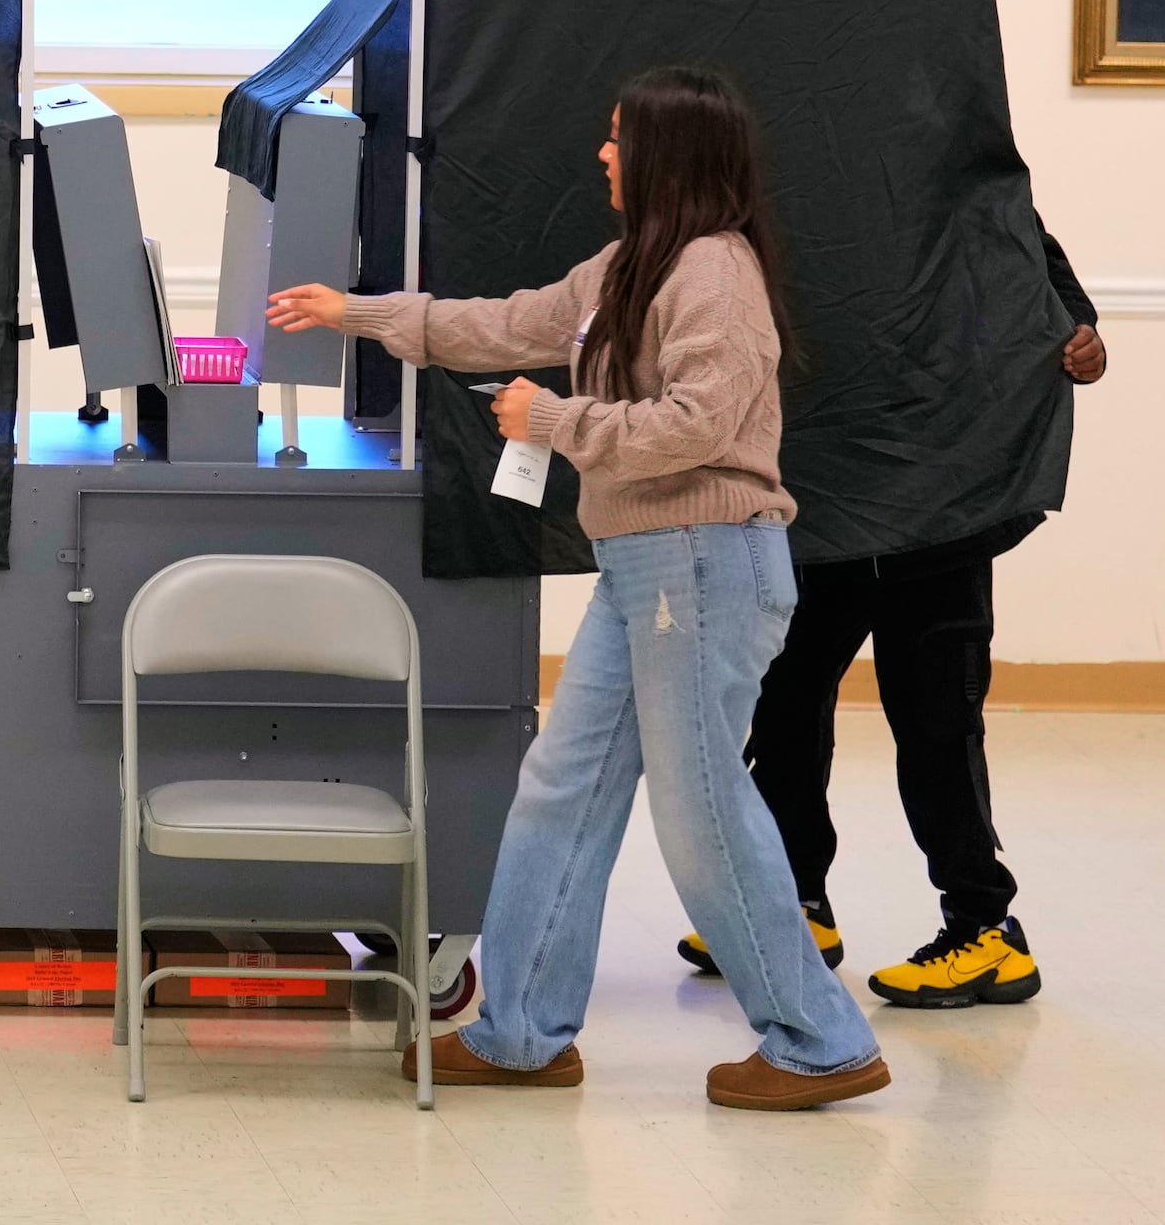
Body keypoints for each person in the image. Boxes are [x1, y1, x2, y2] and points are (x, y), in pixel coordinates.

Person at [268, 64, 890, 1111]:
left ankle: (819, 1042)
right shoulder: (630, 264)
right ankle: (520, 1036)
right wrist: (355, 312)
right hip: (648, 567)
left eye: (616, 138)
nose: (602, 153)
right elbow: (507, 323)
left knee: (701, 814)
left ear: (667, 155)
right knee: (564, 790)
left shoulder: (714, 275)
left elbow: (700, 425)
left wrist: (555, 425)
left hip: (703, 562)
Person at [689, 219, 1107, 1010]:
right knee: (782, 715)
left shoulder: (958, 177)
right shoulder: (801, 171)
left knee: (936, 726)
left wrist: (1081, 332)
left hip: (939, 513)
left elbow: (1042, 277)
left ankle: (986, 930)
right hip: (829, 510)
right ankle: (797, 907)